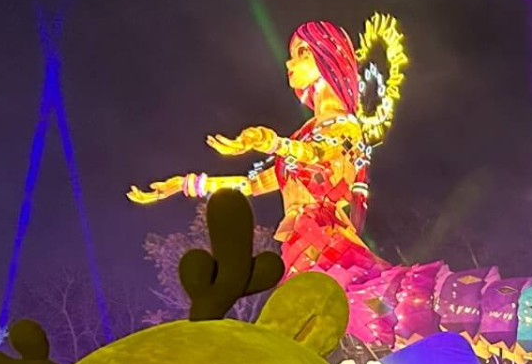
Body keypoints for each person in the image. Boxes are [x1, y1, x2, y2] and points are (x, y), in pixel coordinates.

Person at [129, 20, 390, 286]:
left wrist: (271, 142)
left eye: (302, 53)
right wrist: (187, 184)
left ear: (329, 58)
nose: (289, 63)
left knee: (339, 304)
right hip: (300, 246)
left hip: (329, 246)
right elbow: (251, 185)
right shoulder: (306, 132)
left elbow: (316, 153)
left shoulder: (346, 126)